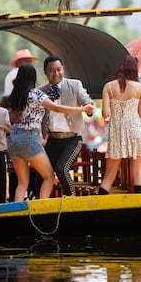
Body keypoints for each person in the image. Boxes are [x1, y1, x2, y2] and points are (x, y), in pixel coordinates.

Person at [7, 63, 93, 202]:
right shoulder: (36, 94)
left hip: (14, 140)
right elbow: (57, 108)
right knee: (49, 176)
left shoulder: (15, 96)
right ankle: (41, 208)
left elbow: (12, 117)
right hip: (30, 139)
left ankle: (18, 213)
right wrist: (81, 109)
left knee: (22, 183)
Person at [38, 55, 96, 196]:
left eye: (59, 69)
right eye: (51, 70)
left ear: (63, 69)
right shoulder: (40, 91)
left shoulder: (74, 85)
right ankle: (44, 205)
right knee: (43, 173)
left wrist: (90, 108)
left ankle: (71, 200)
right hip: (51, 139)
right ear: (45, 71)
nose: (56, 73)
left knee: (61, 169)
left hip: (72, 138)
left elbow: (87, 100)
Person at [97, 55, 141, 195]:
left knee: (109, 176)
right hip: (136, 130)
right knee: (137, 175)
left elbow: (105, 113)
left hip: (117, 132)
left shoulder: (109, 86)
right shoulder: (140, 88)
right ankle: (139, 209)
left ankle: (97, 209)